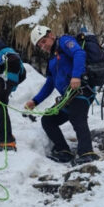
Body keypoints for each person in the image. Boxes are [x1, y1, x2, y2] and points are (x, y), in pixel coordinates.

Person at [24, 25, 98, 165]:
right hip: (69, 96)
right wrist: (35, 101)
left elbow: (79, 53)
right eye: (39, 45)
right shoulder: (52, 59)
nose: (42, 46)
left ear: (50, 34)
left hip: (81, 90)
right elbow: (50, 83)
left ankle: (87, 153)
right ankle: (64, 151)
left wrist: (76, 76)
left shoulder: (64, 41)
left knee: (77, 117)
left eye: (43, 42)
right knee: (48, 120)